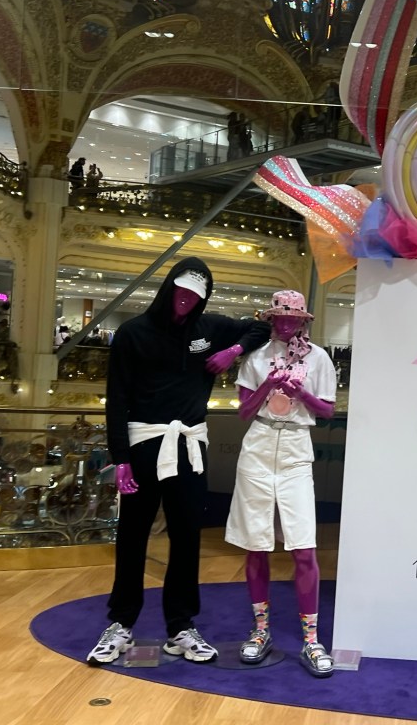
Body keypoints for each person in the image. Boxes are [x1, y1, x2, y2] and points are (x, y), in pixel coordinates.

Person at [86, 256, 271, 666]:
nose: (187, 299)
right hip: (143, 445)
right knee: (133, 537)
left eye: (196, 295)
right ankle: (121, 624)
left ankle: (181, 627)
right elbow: (117, 399)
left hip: (189, 448)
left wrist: (233, 351)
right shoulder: (133, 333)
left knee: (187, 537)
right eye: (182, 291)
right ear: (169, 287)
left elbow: (261, 327)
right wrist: (121, 458)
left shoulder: (210, 328)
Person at [224, 290, 337, 677]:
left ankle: (311, 639)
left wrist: (300, 392)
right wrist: (267, 385)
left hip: (295, 446)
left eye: (293, 319)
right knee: (256, 543)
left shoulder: (318, 358)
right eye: (280, 318)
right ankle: (260, 631)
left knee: (303, 545)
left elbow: (327, 410)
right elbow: (243, 411)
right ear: (271, 319)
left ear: (303, 321)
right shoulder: (256, 358)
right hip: (258, 444)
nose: (286, 324)